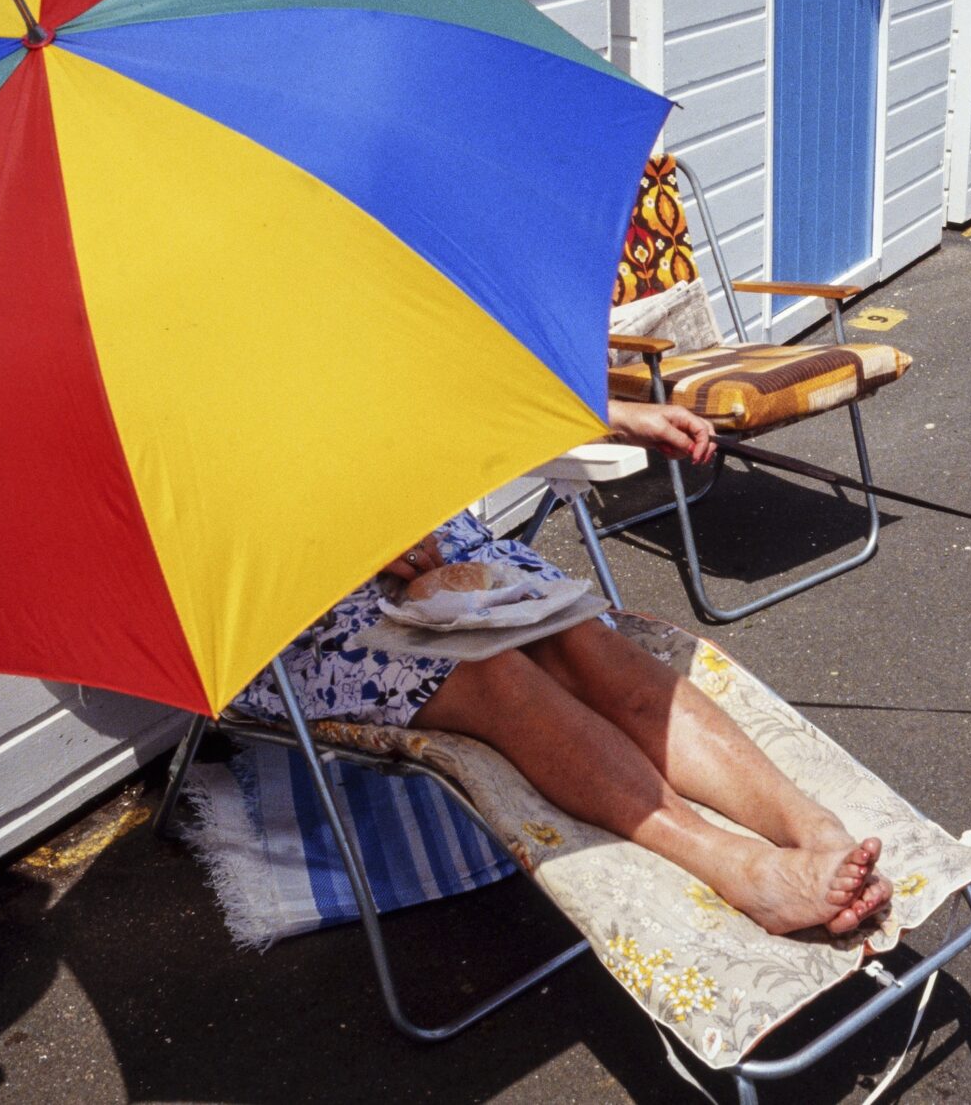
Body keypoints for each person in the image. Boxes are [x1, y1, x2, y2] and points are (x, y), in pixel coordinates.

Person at [232, 397, 895, 938]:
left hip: (418, 525)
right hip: (293, 595)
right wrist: (347, 539)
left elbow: (450, 389)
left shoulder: (334, 273)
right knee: (492, 675)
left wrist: (612, 413)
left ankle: (811, 826)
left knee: (578, 640)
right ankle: (742, 868)